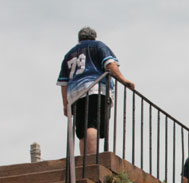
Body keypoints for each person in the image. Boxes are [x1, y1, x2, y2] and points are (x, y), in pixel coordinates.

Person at [57, 27, 135, 157]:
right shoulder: (98, 46)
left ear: (79, 39)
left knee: (82, 131)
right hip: (95, 89)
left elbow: (63, 83)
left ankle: (84, 161)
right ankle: (92, 160)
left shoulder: (69, 55)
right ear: (94, 37)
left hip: (75, 95)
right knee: (93, 125)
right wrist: (123, 80)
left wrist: (65, 104)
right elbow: (110, 65)